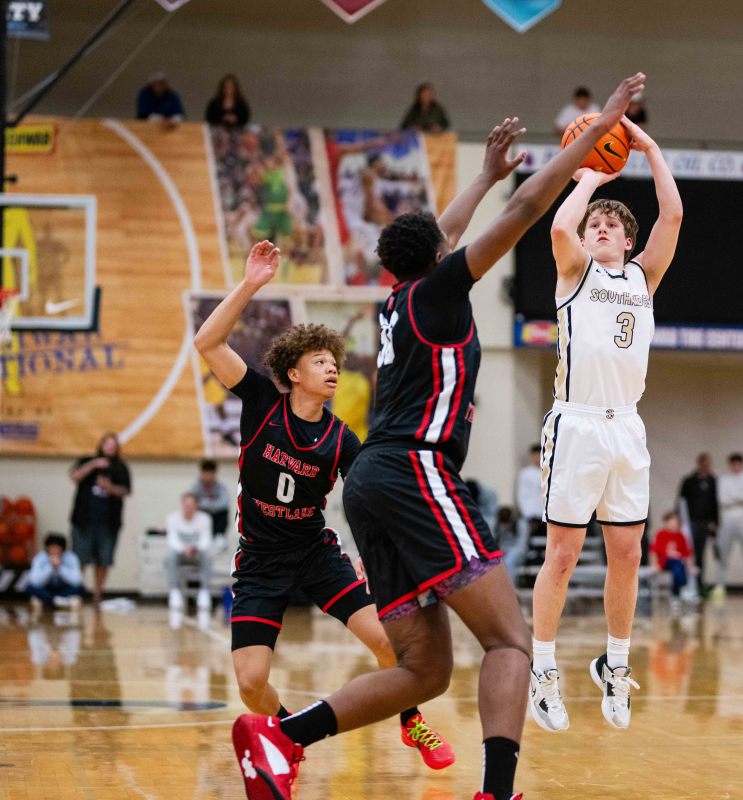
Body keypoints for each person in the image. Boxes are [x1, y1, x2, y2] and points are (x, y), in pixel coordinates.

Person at [229, 75, 647, 800]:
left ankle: (281, 737)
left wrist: (483, 171)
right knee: (511, 642)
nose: (454, 242)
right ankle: (499, 791)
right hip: (415, 472)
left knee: (422, 670)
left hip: (369, 486)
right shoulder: (439, 290)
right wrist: (592, 138)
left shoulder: (400, 296)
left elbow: (444, 230)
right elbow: (522, 210)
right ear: (438, 257)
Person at [531, 110, 681, 733]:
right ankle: (543, 672)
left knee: (627, 551)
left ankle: (615, 667)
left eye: (610, 226)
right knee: (563, 554)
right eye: (595, 225)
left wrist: (646, 145)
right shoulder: (575, 273)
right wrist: (589, 176)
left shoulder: (643, 278)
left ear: (627, 240)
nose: (597, 229)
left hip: (628, 428)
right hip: (578, 422)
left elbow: (672, 215)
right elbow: (560, 224)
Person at [69, 432, 132, 603]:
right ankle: (76, 590)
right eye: (107, 444)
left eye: (113, 444)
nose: (110, 447)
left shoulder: (120, 467)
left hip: (108, 522)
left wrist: (109, 487)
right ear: (101, 445)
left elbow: (126, 491)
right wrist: (93, 465)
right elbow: (74, 476)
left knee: (103, 560)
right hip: (84, 520)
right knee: (80, 558)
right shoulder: (87, 461)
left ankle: (98, 593)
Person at [714, 453, 743, 602]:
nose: (736, 467)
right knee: (723, 555)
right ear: (730, 465)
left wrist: (732, 497)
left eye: (738, 464)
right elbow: (722, 499)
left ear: (742, 464)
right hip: (727, 521)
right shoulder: (723, 479)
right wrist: (739, 496)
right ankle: (720, 585)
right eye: (733, 464)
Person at [164, 492, 214, 614]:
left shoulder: (205, 519)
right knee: (169, 556)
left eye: (191, 505)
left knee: (208, 556)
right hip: (180, 554)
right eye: (186, 505)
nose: (188, 508)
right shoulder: (172, 518)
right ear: (182, 505)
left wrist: (195, 547)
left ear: (196, 506)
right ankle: (174, 591)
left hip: (197, 553)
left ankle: (204, 591)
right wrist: (183, 549)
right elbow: (172, 540)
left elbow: (206, 539)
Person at [679, 454, 720, 596]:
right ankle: (686, 584)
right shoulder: (689, 481)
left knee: (701, 554)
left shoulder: (713, 481)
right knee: (688, 553)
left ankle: (699, 584)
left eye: (708, 464)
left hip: (705, 523)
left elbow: (715, 504)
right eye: (703, 464)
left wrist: (715, 523)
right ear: (698, 464)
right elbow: (680, 502)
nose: (705, 467)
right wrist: (681, 522)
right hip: (690, 523)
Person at [27, 533, 84, 614]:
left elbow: (77, 581)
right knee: (30, 587)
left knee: (80, 588)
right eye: (52, 547)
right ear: (47, 547)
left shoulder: (71, 557)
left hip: (64, 589)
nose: (54, 550)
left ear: (63, 548)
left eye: (57, 547)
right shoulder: (40, 558)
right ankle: (54, 600)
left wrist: (60, 567)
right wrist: (50, 567)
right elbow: (34, 581)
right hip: (46, 589)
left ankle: (53, 600)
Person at [509, 444, 543, 580]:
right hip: (531, 514)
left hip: (545, 514)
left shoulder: (548, 470)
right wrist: (527, 512)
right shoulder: (526, 473)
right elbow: (522, 494)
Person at [650, 512, 693, 612]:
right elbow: (653, 551)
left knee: (678, 567)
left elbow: (687, 553)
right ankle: (683, 589)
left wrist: (690, 566)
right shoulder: (661, 534)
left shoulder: (680, 535)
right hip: (665, 562)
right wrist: (654, 564)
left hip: (678, 563)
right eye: (671, 522)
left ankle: (676, 595)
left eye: (675, 523)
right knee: (677, 564)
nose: (674, 525)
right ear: (666, 523)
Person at [191, 459, 231, 543]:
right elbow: (192, 502)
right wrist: (212, 504)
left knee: (223, 511)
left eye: (210, 474)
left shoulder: (221, 487)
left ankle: (220, 536)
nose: (208, 476)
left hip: (216, 516)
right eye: (206, 473)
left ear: (214, 474)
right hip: (202, 516)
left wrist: (205, 504)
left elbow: (224, 503)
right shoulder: (195, 487)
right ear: (201, 473)